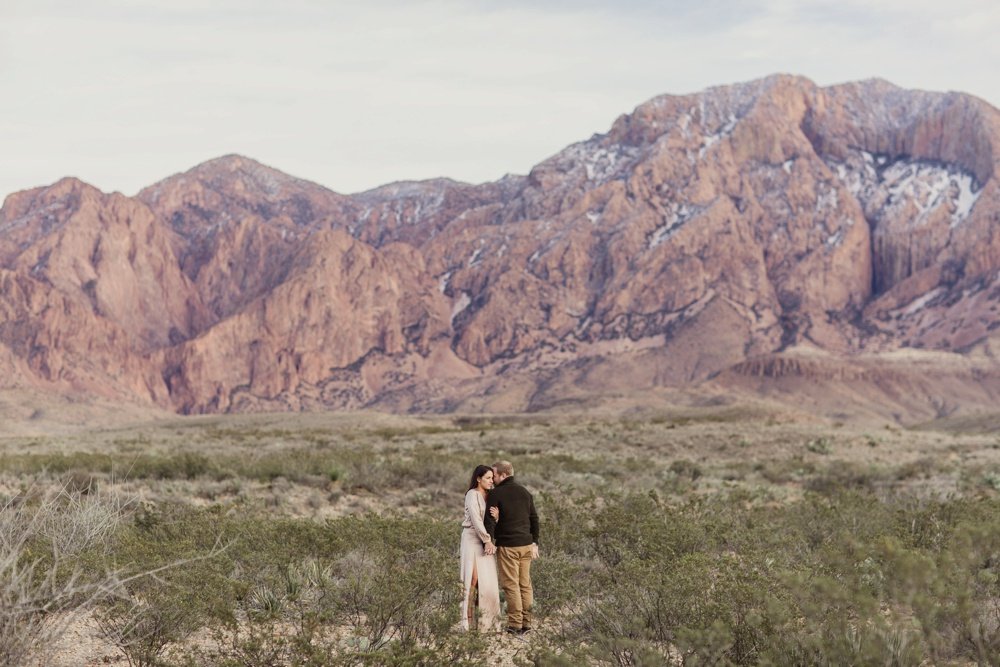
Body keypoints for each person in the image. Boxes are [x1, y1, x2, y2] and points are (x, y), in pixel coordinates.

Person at [484, 460, 539, 635]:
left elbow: (489, 521)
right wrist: (535, 542)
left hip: (508, 546)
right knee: (525, 585)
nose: (493, 479)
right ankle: (527, 623)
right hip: (526, 545)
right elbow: (534, 519)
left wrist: (489, 540)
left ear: (504, 475)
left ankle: (515, 625)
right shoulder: (525, 492)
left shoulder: (496, 494)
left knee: (511, 586)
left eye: (495, 475)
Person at [460, 465, 501, 632]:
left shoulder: (491, 496)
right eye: (488, 478)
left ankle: (487, 623)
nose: (491, 481)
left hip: (487, 541)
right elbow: (476, 520)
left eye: (492, 478)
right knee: (472, 579)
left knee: (487, 581)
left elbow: (492, 522)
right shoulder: (472, 494)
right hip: (472, 538)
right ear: (478, 479)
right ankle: (466, 622)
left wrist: (498, 517)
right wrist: (487, 540)